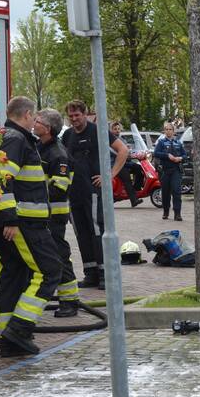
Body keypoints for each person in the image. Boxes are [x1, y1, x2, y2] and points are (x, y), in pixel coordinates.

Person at [0, 96, 61, 357]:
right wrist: (11, 219)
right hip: (22, 223)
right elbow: (2, 180)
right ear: (26, 114)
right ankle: (19, 329)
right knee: (49, 272)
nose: (34, 120)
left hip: (7, 221)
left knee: (14, 275)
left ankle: (10, 342)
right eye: (33, 116)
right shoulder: (16, 139)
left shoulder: (3, 138)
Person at [62, 100, 129, 290]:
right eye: (71, 116)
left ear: (85, 114)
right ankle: (90, 273)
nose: (74, 119)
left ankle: (104, 274)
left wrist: (109, 175)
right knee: (81, 233)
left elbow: (123, 150)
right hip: (73, 192)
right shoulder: (67, 136)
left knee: (96, 231)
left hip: (92, 192)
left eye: (77, 115)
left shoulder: (96, 131)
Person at [34, 108, 81, 318]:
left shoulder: (58, 154)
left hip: (54, 215)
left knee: (59, 256)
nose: (34, 123)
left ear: (48, 128)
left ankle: (69, 302)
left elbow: (59, 187)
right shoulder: (39, 147)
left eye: (38, 121)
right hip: (42, 214)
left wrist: (30, 191)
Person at [153, 121, 186, 220]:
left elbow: (185, 155)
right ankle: (166, 211)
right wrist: (167, 156)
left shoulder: (178, 142)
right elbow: (156, 153)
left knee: (176, 191)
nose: (168, 131)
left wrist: (180, 158)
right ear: (164, 131)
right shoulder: (162, 142)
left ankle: (177, 213)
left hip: (176, 170)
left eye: (170, 129)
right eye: (166, 129)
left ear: (173, 131)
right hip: (165, 170)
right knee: (165, 192)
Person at [109, 120, 142, 208]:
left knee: (138, 168)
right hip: (115, 164)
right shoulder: (110, 140)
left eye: (119, 129)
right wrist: (125, 153)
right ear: (111, 130)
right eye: (115, 129)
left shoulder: (122, 139)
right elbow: (116, 152)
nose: (117, 131)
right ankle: (133, 200)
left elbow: (127, 150)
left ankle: (136, 188)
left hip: (125, 161)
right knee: (126, 177)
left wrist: (135, 153)